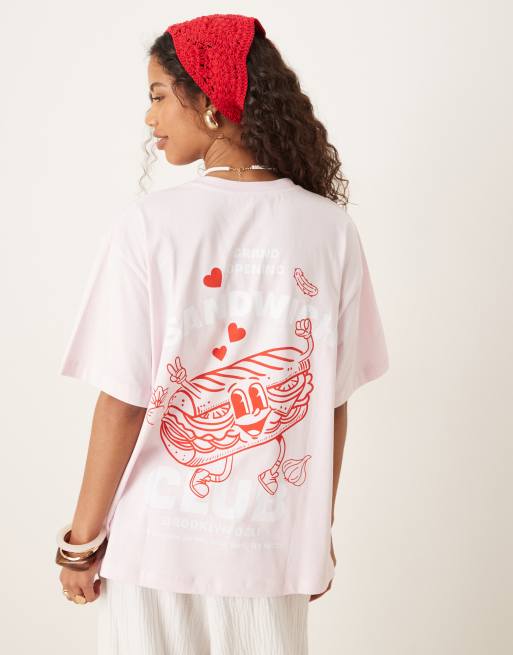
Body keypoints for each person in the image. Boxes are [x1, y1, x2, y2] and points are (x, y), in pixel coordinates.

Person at [54, 13, 389, 655]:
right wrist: (314, 534)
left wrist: (81, 543)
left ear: (208, 99)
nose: (150, 118)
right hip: (270, 549)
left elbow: (124, 402)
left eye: (159, 96)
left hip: (156, 546)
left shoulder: (149, 225)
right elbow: (330, 401)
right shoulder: (330, 230)